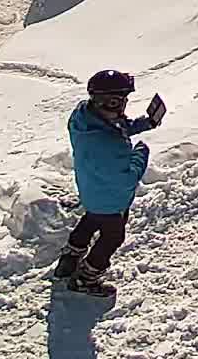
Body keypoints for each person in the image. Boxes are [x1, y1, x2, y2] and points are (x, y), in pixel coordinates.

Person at [59, 69, 165, 293]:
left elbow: (116, 126)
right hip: (111, 199)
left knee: (91, 220)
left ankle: (70, 257)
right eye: (116, 102)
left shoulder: (83, 119)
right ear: (102, 103)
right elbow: (127, 177)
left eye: (122, 102)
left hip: (90, 189)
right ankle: (86, 278)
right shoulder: (109, 143)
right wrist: (141, 153)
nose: (121, 108)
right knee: (113, 236)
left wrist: (144, 124)